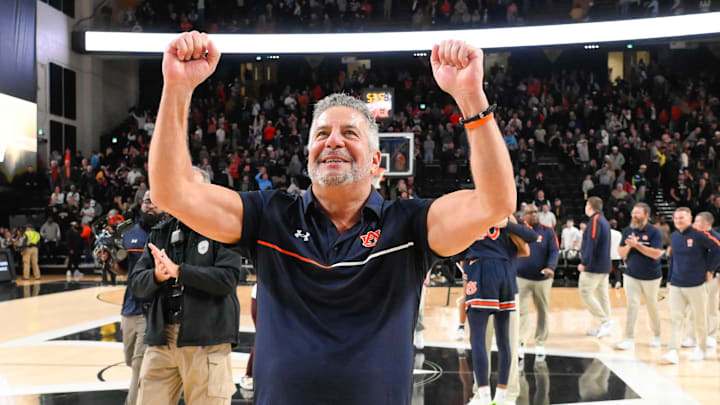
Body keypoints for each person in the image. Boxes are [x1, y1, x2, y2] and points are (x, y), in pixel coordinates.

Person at [150, 32, 515, 405]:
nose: (333, 141)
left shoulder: (409, 226)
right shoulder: (268, 215)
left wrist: (471, 96)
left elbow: (495, 202)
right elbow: (171, 191)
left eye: (349, 133)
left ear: (376, 162)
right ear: (310, 156)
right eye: (321, 133)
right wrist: (177, 87)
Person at [129, 169, 242, 405]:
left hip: (207, 340)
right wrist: (157, 276)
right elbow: (137, 285)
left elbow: (227, 279)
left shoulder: (223, 229)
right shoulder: (160, 233)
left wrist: (180, 272)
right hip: (162, 338)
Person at [460, 216, 534, 405]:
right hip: (506, 275)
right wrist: (508, 225)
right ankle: (503, 396)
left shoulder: (473, 212)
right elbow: (531, 238)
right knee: (505, 340)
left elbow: (452, 252)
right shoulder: (507, 214)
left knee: (478, 338)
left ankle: (483, 397)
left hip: (481, 270)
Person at [119, 190, 165, 405]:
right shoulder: (128, 233)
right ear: (141, 204)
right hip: (129, 307)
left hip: (152, 308)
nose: (151, 206)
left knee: (139, 363)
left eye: (156, 202)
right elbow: (121, 268)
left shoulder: (166, 233)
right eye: (148, 201)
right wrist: (108, 258)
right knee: (130, 360)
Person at [661, 207, 720, 364]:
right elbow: (673, 260)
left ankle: (700, 348)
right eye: (676, 218)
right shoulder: (674, 237)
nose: (678, 220)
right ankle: (673, 351)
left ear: (690, 219)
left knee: (700, 319)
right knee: (676, 319)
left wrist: (710, 269)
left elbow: (718, 248)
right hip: (677, 285)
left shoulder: (700, 235)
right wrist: (669, 279)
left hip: (696, 285)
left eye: (682, 218)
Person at [614, 203, 664, 351]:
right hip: (631, 275)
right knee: (632, 306)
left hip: (651, 277)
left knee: (652, 307)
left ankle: (656, 335)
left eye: (638, 213)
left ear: (646, 216)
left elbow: (656, 254)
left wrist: (637, 246)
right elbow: (621, 253)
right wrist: (630, 246)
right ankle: (628, 338)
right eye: (633, 213)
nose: (634, 216)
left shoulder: (655, 232)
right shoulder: (628, 231)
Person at [516, 204, 559, 360]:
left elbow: (555, 250)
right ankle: (520, 343)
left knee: (542, 311)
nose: (534, 214)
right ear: (524, 215)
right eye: (530, 213)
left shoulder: (547, 231)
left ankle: (540, 343)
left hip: (542, 279)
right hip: (520, 278)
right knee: (521, 312)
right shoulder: (519, 230)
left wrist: (551, 267)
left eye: (535, 212)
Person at [679, 212, 720, 350]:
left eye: (697, 221)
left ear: (707, 223)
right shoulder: (694, 237)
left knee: (711, 307)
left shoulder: (715, 238)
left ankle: (711, 336)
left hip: (711, 278)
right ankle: (691, 336)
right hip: (694, 278)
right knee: (692, 308)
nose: (694, 224)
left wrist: (711, 270)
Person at [578, 197, 613, 338]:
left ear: (590, 206)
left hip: (594, 266)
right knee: (602, 295)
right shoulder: (603, 220)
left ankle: (604, 322)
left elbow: (592, 242)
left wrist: (585, 262)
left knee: (585, 292)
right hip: (604, 265)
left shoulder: (595, 221)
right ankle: (605, 324)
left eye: (586, 205)